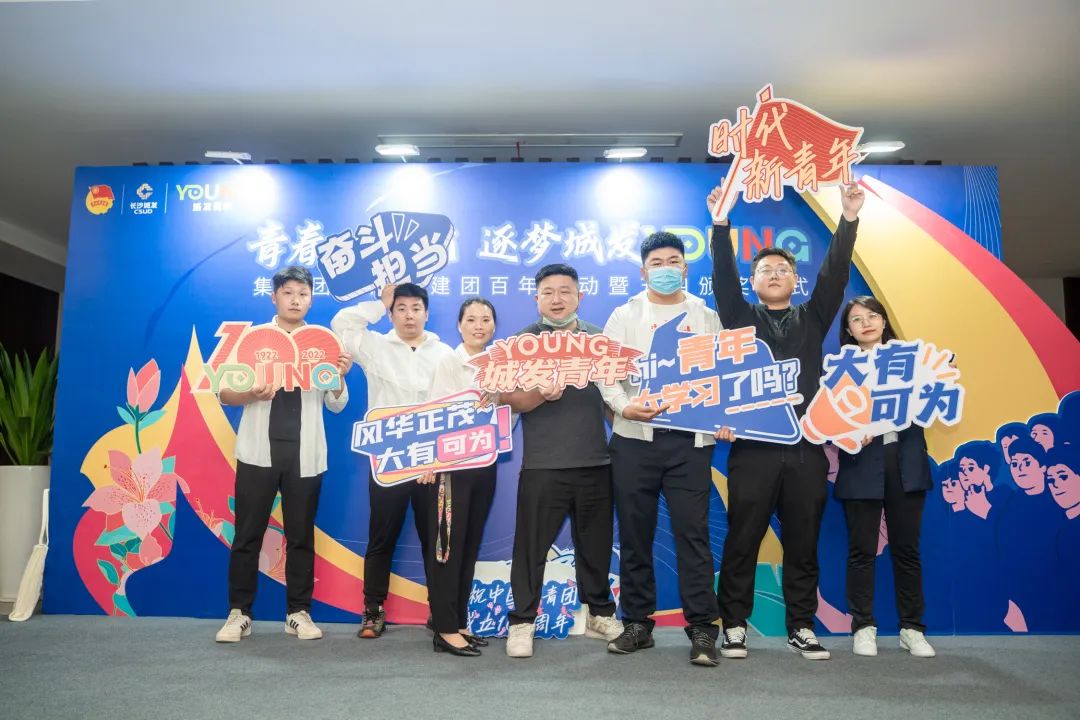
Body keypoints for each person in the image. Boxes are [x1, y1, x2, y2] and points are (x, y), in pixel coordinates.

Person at [708, 181, 864, 660]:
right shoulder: (739, 317)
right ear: (753, 281)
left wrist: (849, 219)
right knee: (742, 539)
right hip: (753, 448)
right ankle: (734, 625)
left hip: (806, 449)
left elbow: (835, 274)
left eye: (783, 269)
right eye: (765, 270)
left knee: (803, 540)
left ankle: (801, 625)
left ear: (796, 280)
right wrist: (720, 224)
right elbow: (722, 276)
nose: (774, 275)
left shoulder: (813, 318)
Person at [598, 231, 725, 666]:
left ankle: (703, 628)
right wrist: (623, 406)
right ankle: (637, 623)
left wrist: (722, 415)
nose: (666, 269)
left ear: (685, 268)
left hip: (690, 442)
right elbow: (606, 372)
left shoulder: (705, 315)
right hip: (635, 440)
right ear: (643, 271)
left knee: (693, 535)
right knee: (635, 535)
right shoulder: (625, 315)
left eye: (673, 261)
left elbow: (723, 371)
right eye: (657, 263)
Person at [215, 265, 351, 642]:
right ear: (274, 297)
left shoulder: (323, 343)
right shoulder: (253, 340)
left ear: (311, 299)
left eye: (303, 294)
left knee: (301, 536)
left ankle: (298, 612)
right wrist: (250, 394)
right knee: (247, 535)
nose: (296, 300)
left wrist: (339, 376)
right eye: (288, 293)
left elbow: (337, 404)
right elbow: (224, 393)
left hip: (305, 455)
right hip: (257, 452)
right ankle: (239, 613)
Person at [503, 263, 622, 658]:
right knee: (530, 549)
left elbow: (614, 401)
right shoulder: (522, 343)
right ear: (537, 298)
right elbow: (510, 399)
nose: (557, 299)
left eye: (565, 291)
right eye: (548, 292)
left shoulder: (598, 340)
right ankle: (522, 621)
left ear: (579, 296)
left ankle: (599, 614)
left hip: (595, 462)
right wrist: (541, 393)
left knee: (596, 547)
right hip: (543, 466)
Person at [331, 282, 455, 638]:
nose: (409, 315)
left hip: (431, 460)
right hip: (388, 459)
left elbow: (454, 405)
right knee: (381, 536)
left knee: (436, 539)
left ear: (426, 313)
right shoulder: (375, 346)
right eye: (400, 308)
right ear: (391, 314)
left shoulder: (444, 353)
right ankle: (373, 610)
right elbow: (342, 323)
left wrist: (438, 458)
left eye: (416, 308)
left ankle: (440, 611)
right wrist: (379, 302)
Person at [832, 296, 936, 658]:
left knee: (907, 551)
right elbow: (828, 421)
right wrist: (848, 434)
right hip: (862, 463)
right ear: (848, 330)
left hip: (905, 462)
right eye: (856, 319)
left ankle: (912, 629)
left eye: (872, 315)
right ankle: (863, 626)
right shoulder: (840, 370)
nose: (866, 323)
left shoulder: (912, 361)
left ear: (884, 320)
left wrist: (941, 373)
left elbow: (935, 397)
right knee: (861, 551)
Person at [420, 297, 503, 657]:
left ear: (494, 326)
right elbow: (436, 411)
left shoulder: (498, 364)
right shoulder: (448, 361)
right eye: (471, 319)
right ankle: (444, 627)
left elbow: (507, 417)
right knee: (446, 547)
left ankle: (460, 622)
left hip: (485, 463)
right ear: (459, 325)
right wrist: (432, 460)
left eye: (486, 319)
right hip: (451, 466)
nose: (479, 326)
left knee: (468, 546)